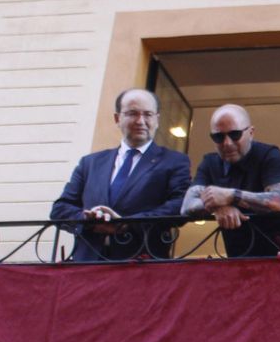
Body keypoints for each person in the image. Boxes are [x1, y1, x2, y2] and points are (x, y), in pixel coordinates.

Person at [49, 88, 191, 261]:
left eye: (148, 114)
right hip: (87, 265)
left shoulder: (174, 161)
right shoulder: (90, 163)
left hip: (141, 265)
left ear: (157, 120)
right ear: (117, 118)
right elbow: (60, 209)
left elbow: (180, 206)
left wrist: (126, 224)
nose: (140, 121)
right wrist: (88, 220)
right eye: (132, 114)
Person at [181, 104, 280, 257]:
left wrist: (232, 196)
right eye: (219, 137)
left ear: (251, 133)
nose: (227, 143)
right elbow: (187, 205)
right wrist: (218, 206)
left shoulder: (269, 155)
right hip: (239, 259)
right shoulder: (210, 162)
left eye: (235, 135)